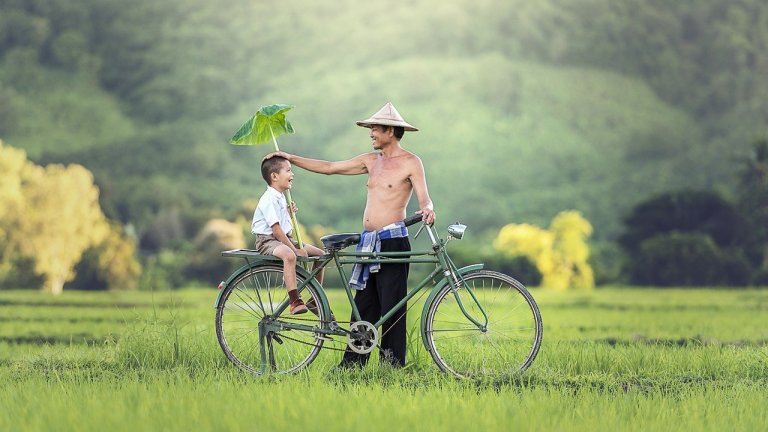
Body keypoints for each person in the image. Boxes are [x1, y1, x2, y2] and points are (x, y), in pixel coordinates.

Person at [265, 102, 436, 367]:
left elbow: (425, 199)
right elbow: (330, 167)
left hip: (393, 241)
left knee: (392, 304)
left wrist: (427, 209)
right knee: (364, 304)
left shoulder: (412, 162)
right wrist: (291, 158)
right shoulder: (370, 161)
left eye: (375, 129)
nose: (370, 133)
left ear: (390, 131)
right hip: (367, 242)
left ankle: (391, 364)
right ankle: (352, 364)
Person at [252, 156, 325, 314]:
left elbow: (283, 226)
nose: (292, 174)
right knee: (290, 255)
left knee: (320, 255)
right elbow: (276, 230)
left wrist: (289, 214)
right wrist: (294, 249)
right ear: (274, 176)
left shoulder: (280, 196)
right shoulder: (269, 199)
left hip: (284, 238)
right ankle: (294, 300)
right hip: (268, 240)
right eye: (289, 170)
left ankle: (314, 299)